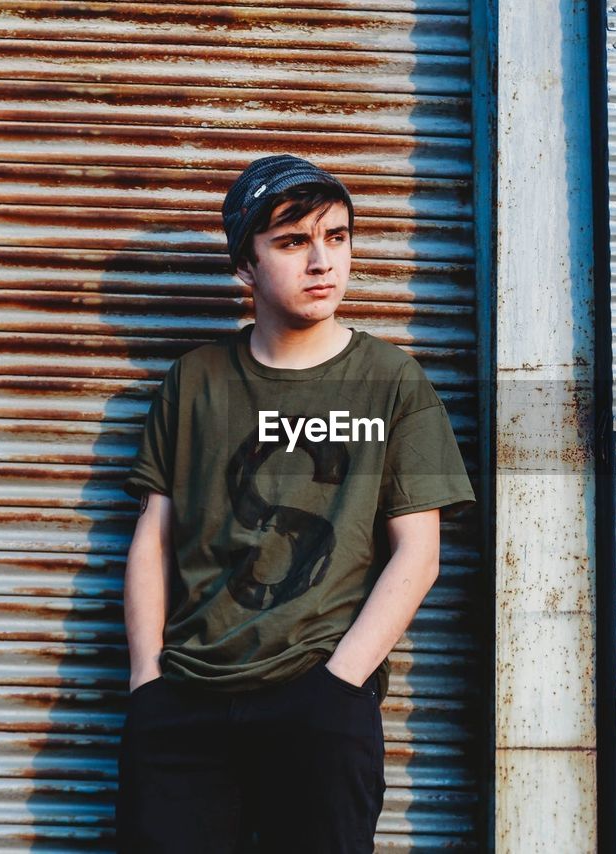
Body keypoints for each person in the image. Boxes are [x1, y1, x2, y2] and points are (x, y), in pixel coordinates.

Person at [115, 154, 476, 853]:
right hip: (187, 699)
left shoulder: (392, 383)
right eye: (292, 241)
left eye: (336, 237)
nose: (322, 262)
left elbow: (419, 552)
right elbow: (152, 541)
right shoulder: (195, 383)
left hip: (318, 698)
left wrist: (340, 685)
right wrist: (147, 684)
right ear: (244, 268)